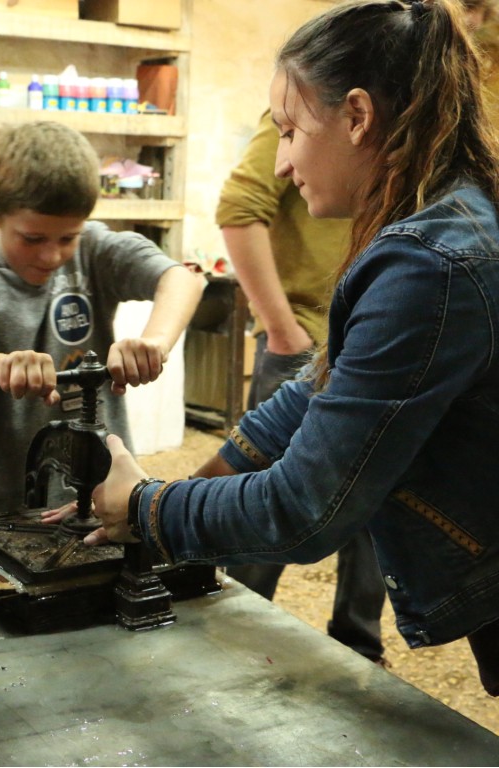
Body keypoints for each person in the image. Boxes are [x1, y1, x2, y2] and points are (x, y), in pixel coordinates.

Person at [88, 0, 499, 695]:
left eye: (289, 131)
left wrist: (147, 508)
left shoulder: (430, 264)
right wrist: (192, 488)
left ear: (358, 116)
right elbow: (320, 389)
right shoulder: (441, 220)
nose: (281, 164)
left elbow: (306, 510)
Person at [0, 121, 204, 519]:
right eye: (32, 239)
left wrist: (154, 342)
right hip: (1, 501)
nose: (51, 255)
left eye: (67, 238)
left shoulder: (95, 249)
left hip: (104, 490)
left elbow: (182, 279)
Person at [215, 111, 387, 663]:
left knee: (375, 505)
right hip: (306, 340)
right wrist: (282, 328)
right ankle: (230, 637)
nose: (286, 159)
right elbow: (239, 208)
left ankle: (359, 649)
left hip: (365, 343)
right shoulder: (304, 107)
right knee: (266, 505)